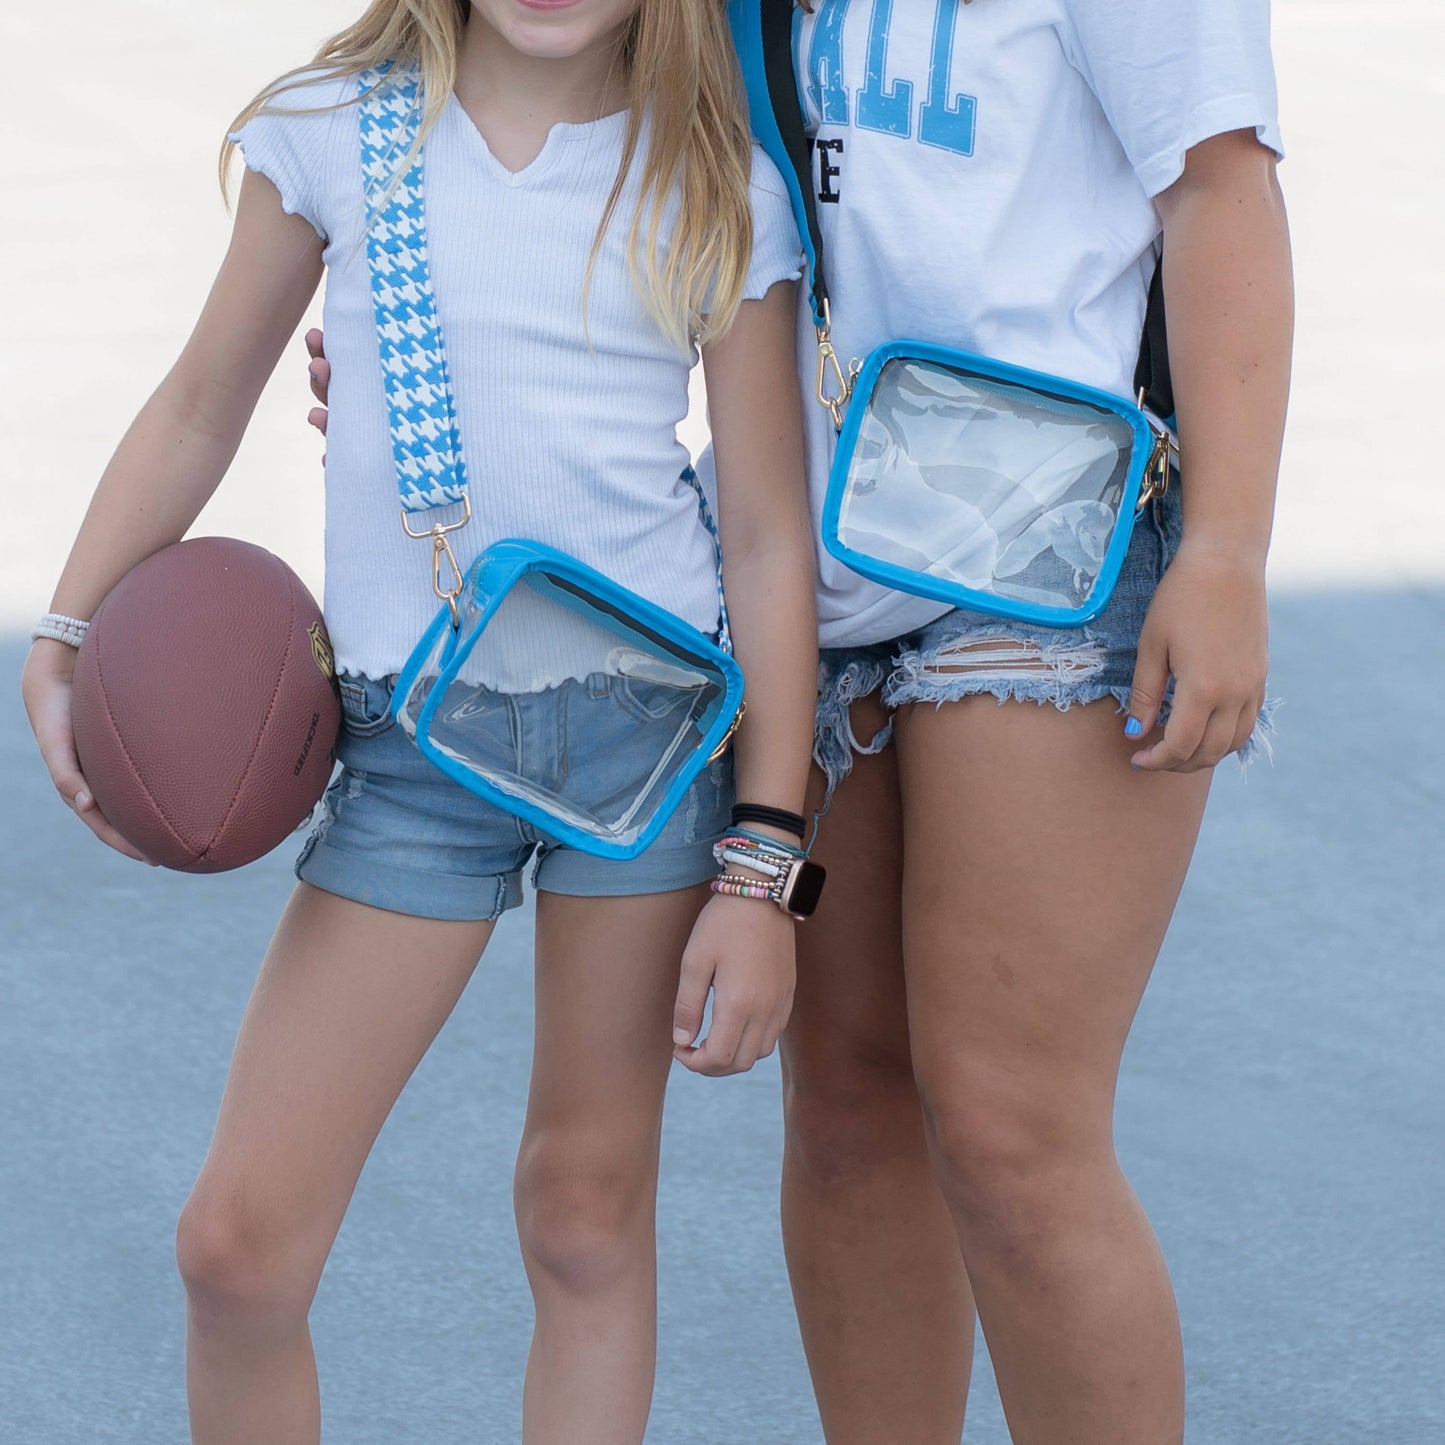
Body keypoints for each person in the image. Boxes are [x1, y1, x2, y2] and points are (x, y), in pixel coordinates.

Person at [20, 2, 817, 1442]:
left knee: (582, 1213)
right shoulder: (333, 130)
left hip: (640, 743)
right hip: (410, 750)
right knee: (236, 1247)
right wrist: (69, 624)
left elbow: (767, 536)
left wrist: (765, 864)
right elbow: (204, 400)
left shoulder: (714, 175)